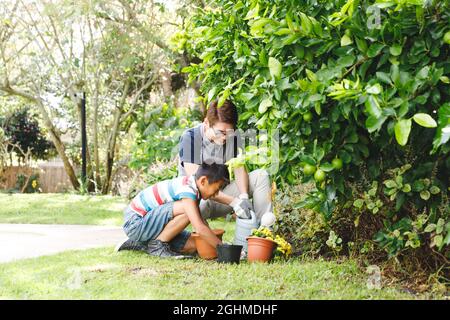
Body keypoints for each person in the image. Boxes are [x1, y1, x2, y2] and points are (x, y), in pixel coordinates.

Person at [178, 99, 273, 226]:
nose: (225, 137)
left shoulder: (231, 136)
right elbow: (199, 185)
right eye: (221, 132)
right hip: (197, 201)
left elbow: (239, 168)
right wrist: (234, 202)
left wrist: (244, 197)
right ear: (206, 123)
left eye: (229, 132)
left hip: (222, 196)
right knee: (202, 197)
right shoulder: (190, 137)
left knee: (261, 176)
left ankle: (264, 232)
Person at [115, 163, 229, 259]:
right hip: (136, 223)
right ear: (203, 181)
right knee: (187, 208)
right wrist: (225, 250)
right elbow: (199, 227)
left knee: (194, 245)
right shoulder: (188, 190)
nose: (216, 193)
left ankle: (141, 243)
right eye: (217, 189)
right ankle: (156, 246)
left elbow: (202, 224)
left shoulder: (194, 187)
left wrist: (215, 243)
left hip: (148, 224)